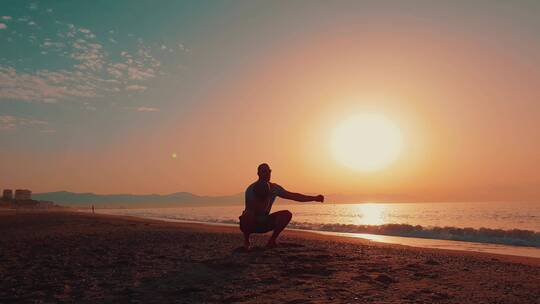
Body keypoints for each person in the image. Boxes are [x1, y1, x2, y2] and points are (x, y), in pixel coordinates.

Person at [239, 163, 324, 249]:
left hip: (265, 222)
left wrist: (314, 198)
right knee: (247, 214)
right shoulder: (251, 189)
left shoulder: (274, 188)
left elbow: (294, 196)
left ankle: (271, 241)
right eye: (264, 171)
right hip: (252, 224)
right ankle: (246, 241)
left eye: (269, 171)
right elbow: (248, 211)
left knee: (286, 214)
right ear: (258, 173)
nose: (267, 173)